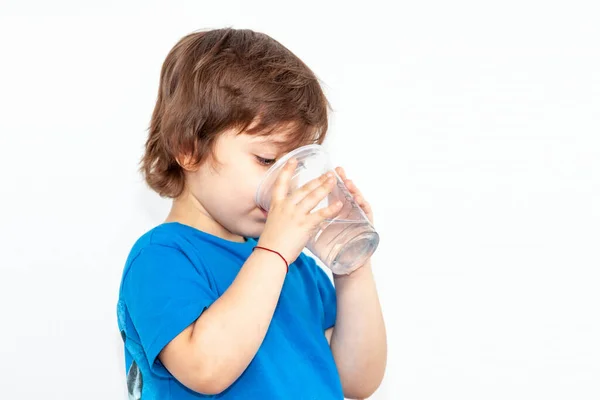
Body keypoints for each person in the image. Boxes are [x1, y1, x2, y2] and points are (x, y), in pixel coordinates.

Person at [116, 28, 387, 399]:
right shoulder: (162, 258)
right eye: (267, 160)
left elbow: (357, 381)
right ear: (189, 149)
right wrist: (273, 253)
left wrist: (352, 268)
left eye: (295, 164)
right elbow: (206, 369)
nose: (284, 183)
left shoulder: (295, 265)